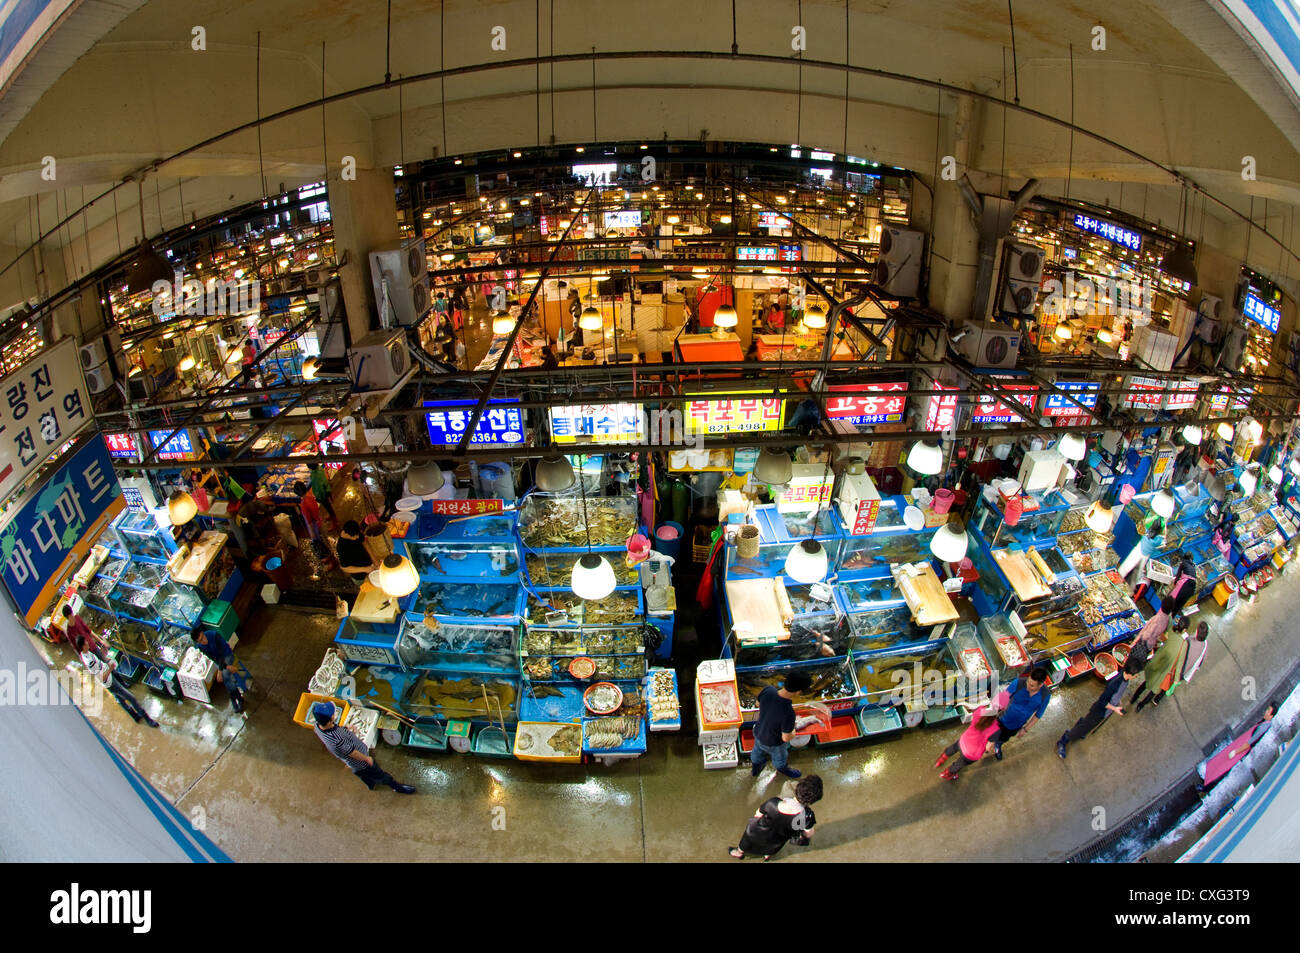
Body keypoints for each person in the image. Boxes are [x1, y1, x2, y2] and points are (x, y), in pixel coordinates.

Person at [313, 701, 416, 794]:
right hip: (360, 761)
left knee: (361, 773)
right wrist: (367, 759)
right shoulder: (336, 740)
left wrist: (345, 729)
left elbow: (334, 729)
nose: (334, 714)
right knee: (379, 773)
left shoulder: (318, 726)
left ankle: (371, 785)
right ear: (330, 719)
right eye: (333, 714)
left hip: (352, 763)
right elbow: (353, 753)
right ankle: (397, 787)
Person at [1056, 655, 1145, 759]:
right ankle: (1064, 739)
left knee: (1087, 725)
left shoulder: (1125, 679)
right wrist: (1115, 708)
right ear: (1131, 674)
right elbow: (1102, 702)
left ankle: (1081, 726)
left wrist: (1117, 700)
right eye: (1136, 675)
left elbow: (1116, 694)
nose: (1137, 677)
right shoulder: (1115, 684)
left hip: (1106, 710)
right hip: (1099, 711)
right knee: (1085, 727)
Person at [728, 774, 822, 861]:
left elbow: (757, 814)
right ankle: (767, 856)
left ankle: (739, 853)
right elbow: (809, 833)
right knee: (772, 848)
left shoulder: (773, 803)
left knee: (746, 842)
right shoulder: (807, 816)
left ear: (797, 788)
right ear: (813, 800)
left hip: (757, 832)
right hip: (779, 838)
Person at [77, 637, 158, 728]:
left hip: (108, 677)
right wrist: (110, 669)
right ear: (83, 646)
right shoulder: (89, 662)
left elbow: (99, 665)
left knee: (119, 698)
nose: (88, 643)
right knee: (130, 697)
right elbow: (101, 678)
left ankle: (133, 715)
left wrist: (106, 662)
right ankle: (146, 718)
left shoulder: (85, 653)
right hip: (109, 681)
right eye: (86, 642)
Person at [750, 671, 814, 779]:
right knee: (779, 758)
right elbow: (786, 737)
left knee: (756, 752)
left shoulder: (768, 690)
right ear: (798, 692)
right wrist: (793, 730)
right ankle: (782, 768)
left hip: (758, 732)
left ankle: (755, 769)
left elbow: (758, 704)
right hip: (774, 743)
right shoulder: (788, 712)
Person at [935, 695, 1005, 780]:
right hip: (970, 754)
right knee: (958, 764)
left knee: (952, 749)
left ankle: (940, 761)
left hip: (963, 740)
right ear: (1000, 712)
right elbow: (987, 748)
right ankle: (946, 775)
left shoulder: (980, 710)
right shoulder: (996, 730)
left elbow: (973, 712)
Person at [1136, 556, 1197, 652]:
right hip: (1191, 589)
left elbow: (1177, 577)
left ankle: (1165, 613)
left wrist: (1175, 583)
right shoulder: (1193, 567)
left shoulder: (1184, 564)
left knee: (1173, 598)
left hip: (1184, 585)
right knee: (1178, 606)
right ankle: (1171, 617)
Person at [992, 666, 1052, 759]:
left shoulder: (1045, 695)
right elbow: (1003, 698)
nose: (1028, 686)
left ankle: (998, 745)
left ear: (1040, 685)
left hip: (1016, 725)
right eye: (1028, 682)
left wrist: (1025, 729)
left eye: (1032, 685)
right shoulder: (1018, 683)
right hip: (1002, 718)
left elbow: (1038, 715)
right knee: (991, 733)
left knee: (1004, 737)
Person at [1132, 615, 1189, 712]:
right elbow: (1179, 664)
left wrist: (1169, 613)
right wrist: (1175, 681)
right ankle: (1140, 706)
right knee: (1154, 690)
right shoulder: (1184, 645)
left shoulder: (1171, 631)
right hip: (1165, 671)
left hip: (1156, 664)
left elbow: (1169, 621)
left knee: (1146, 682)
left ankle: (1134, 698)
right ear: (1185, 630)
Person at [192, 629, 248, 713]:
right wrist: (226, 667)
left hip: (227, 655)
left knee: (226, 677)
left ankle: (236, 699)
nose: (203, 641)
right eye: (200, 641)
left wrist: (220, 670)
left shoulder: (214, 635)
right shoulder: (201, 647)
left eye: (202, 637)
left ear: (202, 633)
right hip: (220, 662)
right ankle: (238, 698)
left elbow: (222, 653)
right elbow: (213, 658)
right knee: (226, 677)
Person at [335, 519, 378, 584]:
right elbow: (345, 568)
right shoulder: (341, 547)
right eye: (355, 536)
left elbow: (364, 542)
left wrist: (374, 559)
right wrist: (365, 569)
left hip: (370, 566)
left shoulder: (354, 530)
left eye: (358, 534)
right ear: (348, 535)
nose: (358, 537)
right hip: (360, 577)